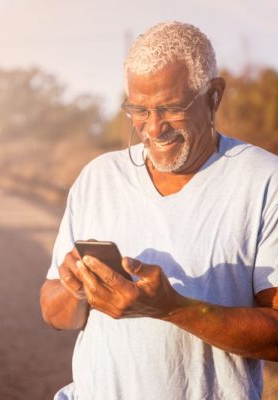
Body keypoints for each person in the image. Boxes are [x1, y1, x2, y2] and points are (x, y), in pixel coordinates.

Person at [40, 21, 278, 400]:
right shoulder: (98, 177)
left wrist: (172, 308)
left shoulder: (265, 182)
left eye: (171, 108)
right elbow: (55, 315)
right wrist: (75, 288)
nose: (154, 128)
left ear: (214, 95)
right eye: (139, 109)